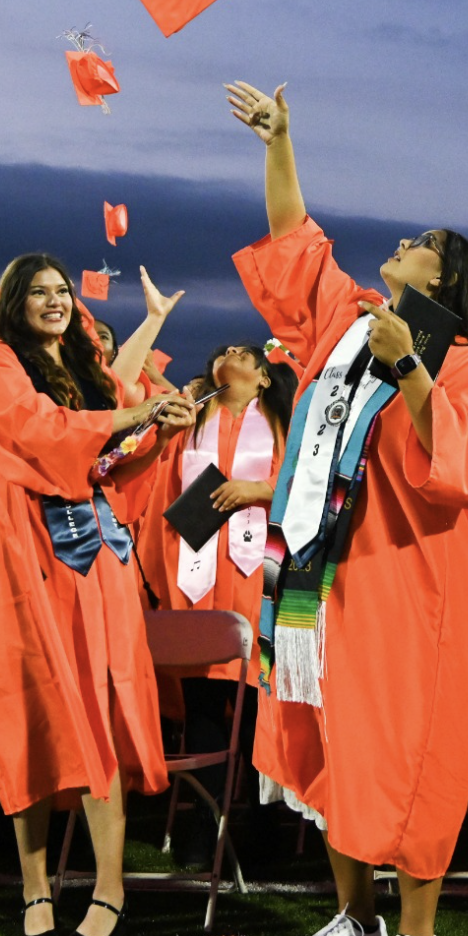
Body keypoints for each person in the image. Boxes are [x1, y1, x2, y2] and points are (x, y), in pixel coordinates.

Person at [227, 80, 468, 936]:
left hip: (409, 597)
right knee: (330, 742)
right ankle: (355, 923)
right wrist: (279, 141)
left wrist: (411, 367)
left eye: (424, 242)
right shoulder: (345, 327)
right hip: (317, 583)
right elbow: (294, 245)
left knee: (409, 752)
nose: (404, 241)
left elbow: (462, 471)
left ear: (445, 280)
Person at [0, 258, 191, 936]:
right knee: (30, 712)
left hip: (99, 564)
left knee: (101, 712)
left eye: (62, 290)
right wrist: (134, 412)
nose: (55, 300)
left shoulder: (85, 368)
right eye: (39, 291)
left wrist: (161, 424)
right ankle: (36, 888)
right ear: (14, 301)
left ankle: (109, 888)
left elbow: (109, 453)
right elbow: (39, 430)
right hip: (28, 562)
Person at [134, 342, 295, 869]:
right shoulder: (190, 422)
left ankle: (264, 832)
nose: (231, 352)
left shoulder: (283, 426)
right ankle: (201, 831)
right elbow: (159, 499)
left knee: (258, 711)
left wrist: (259, 490)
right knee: (203, 710)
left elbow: (304, 490)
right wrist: (160, 576)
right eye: (224, 350)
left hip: (261, 585)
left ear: (265, 377)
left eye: (244, 352)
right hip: (196, 583)